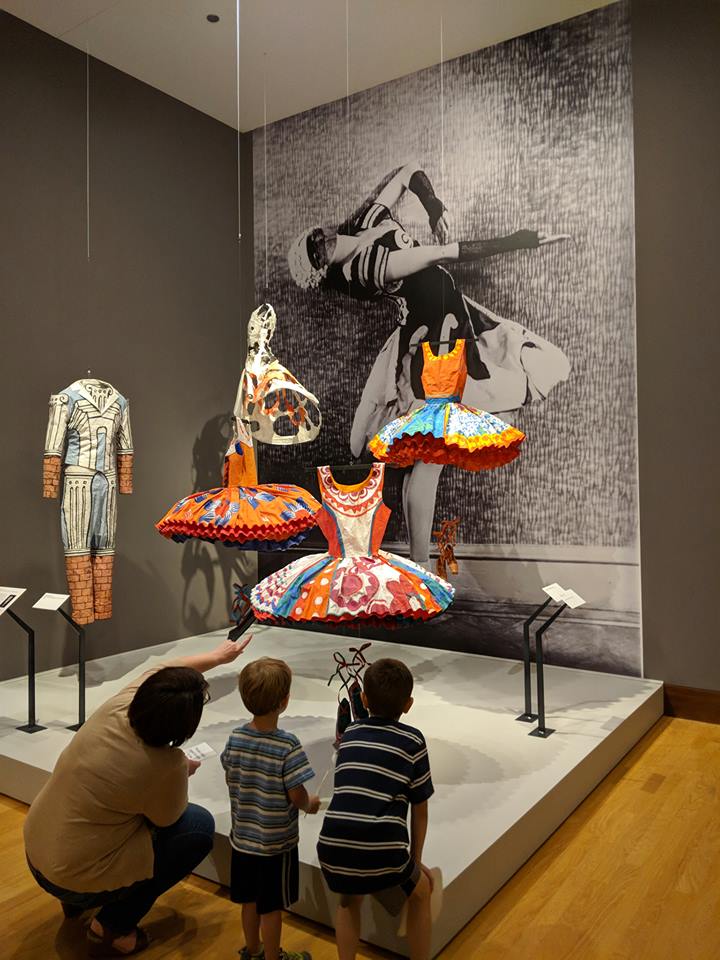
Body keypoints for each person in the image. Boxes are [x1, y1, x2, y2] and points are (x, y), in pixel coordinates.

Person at [288, 161, 571, 563]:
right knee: (429, 457)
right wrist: (522, 240)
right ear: (324, 268)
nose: (323, 243)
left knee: (430, 454)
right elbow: (444, 253)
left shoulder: (364, 222)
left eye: (315, 240)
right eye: (318, 253)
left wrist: (434, 207)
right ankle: (419, 563)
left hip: (453, 324)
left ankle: (417, 561)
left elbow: (409, 171)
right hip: (433, 346)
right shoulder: (368, 269)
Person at [24, 636, 248, 958]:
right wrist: (180, 773)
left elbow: (163, 668)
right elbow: (169, 820)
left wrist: (216, 657)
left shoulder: (119, 705)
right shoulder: (166, 765)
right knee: (197, 827)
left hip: (36, 849)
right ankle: (112, 926)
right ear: (184, 727)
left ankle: (74, 902)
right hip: (69, 875)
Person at [317, 657, 435, 960]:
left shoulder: (350, 734)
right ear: (408, 704)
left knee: (348, 900)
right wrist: (415, 861)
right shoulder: (413, 740)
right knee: (423, 891)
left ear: (364, 700)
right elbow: (420, 808)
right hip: (384, 851)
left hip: (331, 848)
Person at [222, 657, 320, 960]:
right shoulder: (288, 746)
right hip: (275, 846)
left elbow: (229, 772)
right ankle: (273, 957)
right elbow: (296, 795)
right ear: (284, 701)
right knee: (271, 908)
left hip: (242, 841)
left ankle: (253, 951)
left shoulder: (235, 737)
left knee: (249, 901)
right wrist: (310, 804)